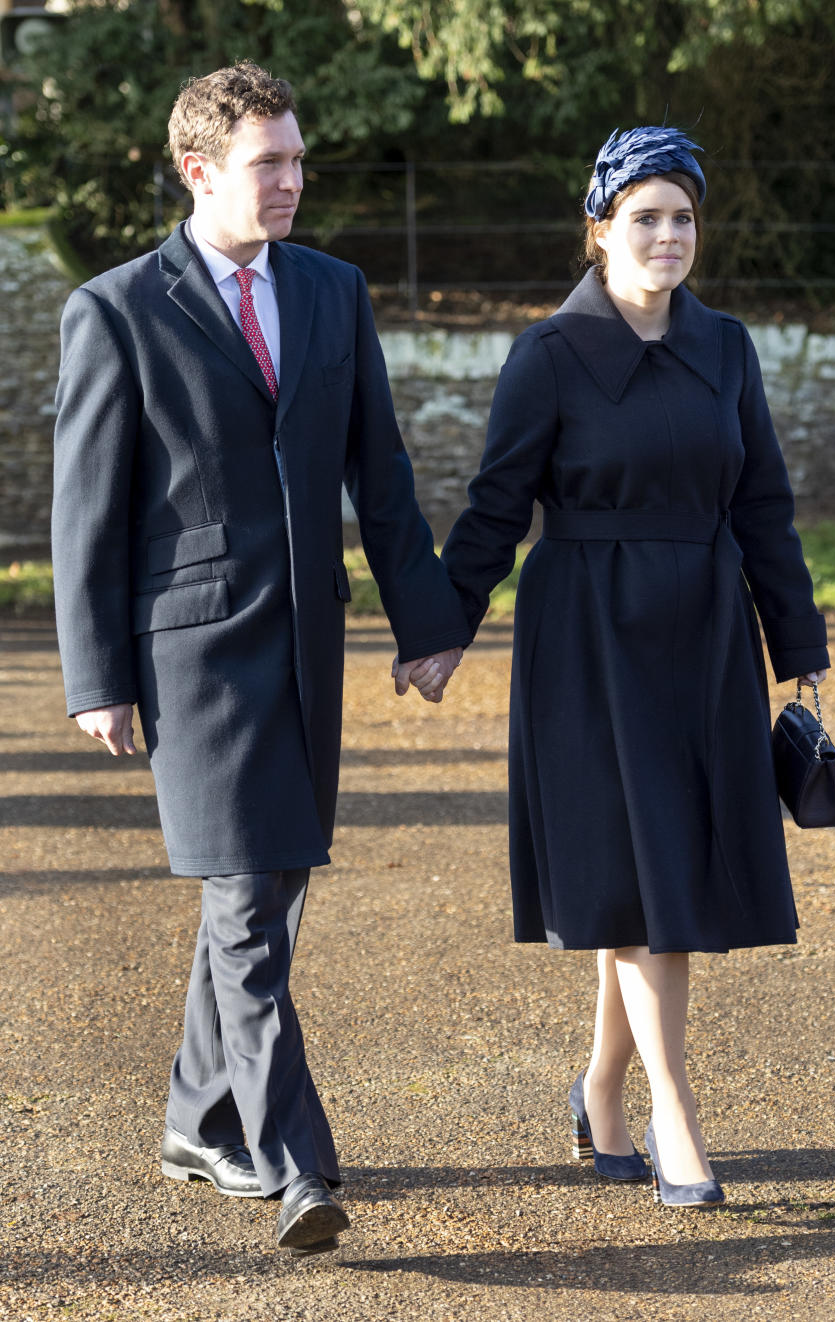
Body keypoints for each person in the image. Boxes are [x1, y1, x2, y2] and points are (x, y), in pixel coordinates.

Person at [51, 61, 468, 1254]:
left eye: (297, 158)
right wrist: (97, 675)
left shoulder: (335, 292)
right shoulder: (118, 307)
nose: (293, 179)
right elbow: (88, 506)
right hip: (188, 652)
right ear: (200, 170)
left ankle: (196, 1115)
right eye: (269, 162)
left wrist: (427, 621)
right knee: (243, 897)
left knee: (272, 885)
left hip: (308, 640)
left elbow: (378, 471)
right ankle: (299, 1165)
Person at [441, 127, 829, 1207]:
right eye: (646, 216)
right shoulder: (548, 355)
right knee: (643, 876)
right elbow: (495, 506)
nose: (669, 235)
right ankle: (676, 1113)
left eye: (684, 216)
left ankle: (604, 1088)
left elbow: (765, 507)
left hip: (706, 634)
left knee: (654, 875)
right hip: (586, 641)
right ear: (600, 228)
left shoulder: (729, 348)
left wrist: (797, 649)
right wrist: (444, 621)